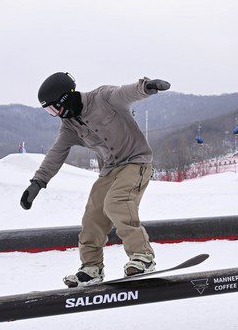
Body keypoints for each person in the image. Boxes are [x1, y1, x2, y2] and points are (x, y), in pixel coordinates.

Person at [21, 72, 171, 287]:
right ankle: (91, 268)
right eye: (48, 111)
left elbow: (125, 93)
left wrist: (147, 86)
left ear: (66, 98)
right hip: (110, 169)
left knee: (117, 203)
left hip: (136, 162)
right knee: (92, 216)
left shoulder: (102, 98)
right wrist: (37, 182)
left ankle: (142, 256)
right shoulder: (70, 126)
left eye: (53, 108)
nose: (54, 114)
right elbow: (56, 153)